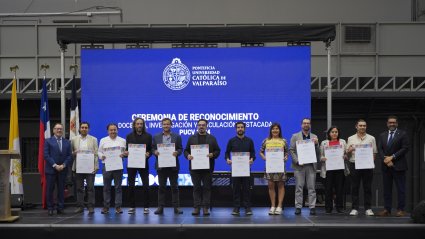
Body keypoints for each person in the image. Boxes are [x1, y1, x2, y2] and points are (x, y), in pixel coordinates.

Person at [184, 119, 221, 216]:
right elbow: (186, 150)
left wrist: (213, 154)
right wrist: (188, 155)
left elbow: (218, 150)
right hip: (194, 168)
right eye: (199, 125)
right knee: (196, 188)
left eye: (203, 125)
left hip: (207, 168)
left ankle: (205, 208)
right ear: (197, 126)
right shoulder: (191, 138)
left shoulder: (212, 138)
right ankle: (196, 207)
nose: (201, 127)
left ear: (206, 126)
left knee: (207, 188)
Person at [377, 116, 409, 217]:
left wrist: (392, 157)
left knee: (401, 189)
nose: (392, 124)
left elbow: (405, 148)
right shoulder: (382, 135)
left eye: (394, 123)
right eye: (390, 123)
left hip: (399, 166)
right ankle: (387, 209)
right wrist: (386, 160)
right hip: (386, 166)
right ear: (387, 124)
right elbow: (380, 149)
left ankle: (401, 209)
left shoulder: (403, 134)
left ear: (397, 124)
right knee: (387, 189)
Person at [346, 119, 377, 216]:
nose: (362, 127)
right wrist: (350, 150)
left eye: (364, 125)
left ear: (366, 127)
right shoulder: (350, 138)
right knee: (354, 187)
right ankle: (355, 208)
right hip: (354, 164)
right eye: (360, 125)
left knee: (367, 187)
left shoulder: (371, 138)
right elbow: (347, 153)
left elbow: (374, 153)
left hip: (367, 166)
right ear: (356, 126)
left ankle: (368, 208)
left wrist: (370, 162)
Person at [152, 118, 183, 215]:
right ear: (162, 125)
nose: (166, 126)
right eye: (164, 124)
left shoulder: (177, 136)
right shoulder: (156, 137)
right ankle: (160, 207)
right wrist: (155, 152)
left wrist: (177, 152)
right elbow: (152, 148)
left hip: (173, 166)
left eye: (168, 124)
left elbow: (180, 149)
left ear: (171, 125)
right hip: (161, 166)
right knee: (161, 187)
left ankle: (176, 207)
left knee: (175, 187)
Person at [290, 118, 320, 216]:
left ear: (310, 125)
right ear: (301, 125)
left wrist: (316, 144)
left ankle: (312, 207)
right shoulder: (295, 136)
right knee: (299, 187)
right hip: (299, 166)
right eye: (304, 123)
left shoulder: (314, 137)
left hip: (311, 166)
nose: (306, 125)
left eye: (308, 123)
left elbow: (318, 152)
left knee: (311, 187)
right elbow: (291, 150)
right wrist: (297, 161)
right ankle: (298, 207)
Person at [225, 122, 256, 216]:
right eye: (238, 127)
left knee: (247, 189)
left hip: (246, 169)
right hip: (235, 169)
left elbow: (253, 153)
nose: (240, 129)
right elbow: (226, 153)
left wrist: (252, 159)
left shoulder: (249, 140)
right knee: (236, 189)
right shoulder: (231, 141)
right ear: (236, 129)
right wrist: (227, 159)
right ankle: (236, 208)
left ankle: (247, 208)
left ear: (245, 129)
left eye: (242, 127)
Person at [123, 118, 152, 215]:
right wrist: (126, 152)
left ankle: (146, 207)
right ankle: (132, 206)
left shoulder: (148, 136)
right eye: (137, 124)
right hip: (131, 164)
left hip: (143, 164)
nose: (139, 125)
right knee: (131, 185)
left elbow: (151, 150)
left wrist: (149, 153)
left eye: (141, 124)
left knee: (146, 186)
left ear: (143, 125)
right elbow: (127, 150)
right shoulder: (129, 136)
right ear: (134, 125)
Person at [259, 122, 288, 215]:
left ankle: (279, 206)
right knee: (271, 186)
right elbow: (261, 152)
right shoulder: (266, 141)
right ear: (271, 130)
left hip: (280, 167)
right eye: (273, 129)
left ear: (279, 130)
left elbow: (287, 153)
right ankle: (272, 206)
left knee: (280, 186)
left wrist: (286, 157)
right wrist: (264, 157)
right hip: (270, 167)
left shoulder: (283, 141)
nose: (275, 130)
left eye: (277, 129)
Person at [44, 123, 72, 216]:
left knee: (61, 190)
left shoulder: (67, 142)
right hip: (51, 170)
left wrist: (63, 165)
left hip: (63, 170)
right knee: (50, 190)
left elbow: (69, 156)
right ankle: (50, 208)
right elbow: (46, 155)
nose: (59, 130)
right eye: (57, 129)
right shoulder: (48, 141)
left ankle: (60, 208)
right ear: (53, 130)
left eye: (60, 129)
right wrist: (55, 165)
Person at [98, 123, 126, 214]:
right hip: (107, 166)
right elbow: (99, 152)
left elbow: (125, 153)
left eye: (115, 130)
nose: (113, 131)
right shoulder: (103, 140)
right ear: (108, 131)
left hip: (118, 167)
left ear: (117, 130)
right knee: (106, 188)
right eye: (111, 130)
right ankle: (106, 207)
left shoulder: (122, 140)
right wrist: (101, 156)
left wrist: (124, 154)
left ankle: (118, 207)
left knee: (118, 187)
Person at [71, 122, 98, 214]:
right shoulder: (74, 139)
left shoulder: (94, 139)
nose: (84, 129)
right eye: (82, 127)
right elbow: (71, 153)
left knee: (90, 188)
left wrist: (96, 166)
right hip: (78, 168)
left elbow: (96, 154)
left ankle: (90, 207)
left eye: (86, 127)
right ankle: (80, 207)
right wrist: (73, 153)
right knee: (79, 188)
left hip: (90, 168)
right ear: (79, 129)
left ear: (88, 129)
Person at [319, 126, 348, 214]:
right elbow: (320, 156)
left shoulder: (342, 142)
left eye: (336, 132)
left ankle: (339, 207)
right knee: (328, 189)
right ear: (329, 133)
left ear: (338, 133)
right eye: (332, 132)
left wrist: (345, 156)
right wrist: (322, 158)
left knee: (339, 189)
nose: (334, 133)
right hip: (328, 169)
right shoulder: (324, 143)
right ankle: (328, 207)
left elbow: (346, 154)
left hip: (340, 169)